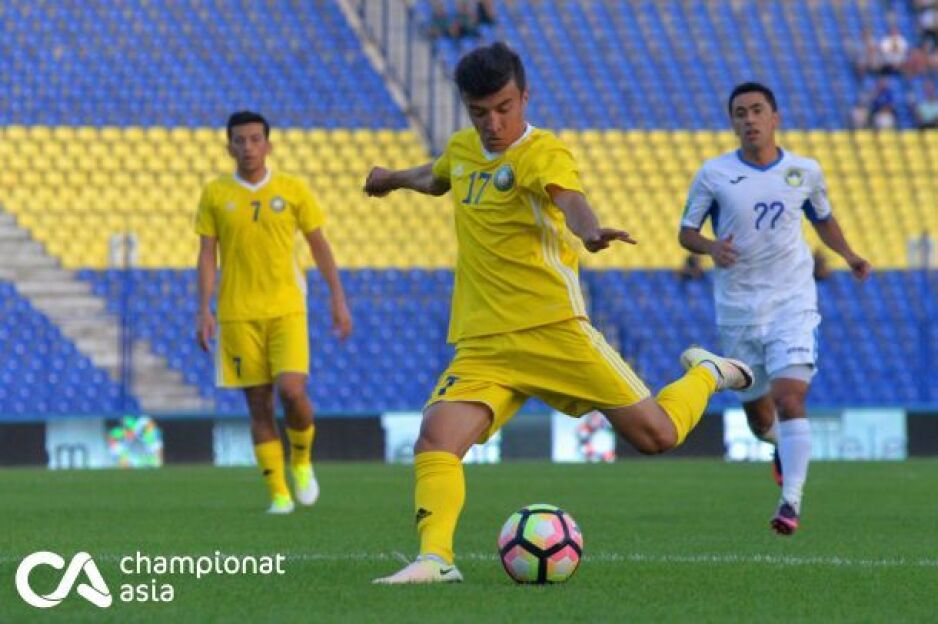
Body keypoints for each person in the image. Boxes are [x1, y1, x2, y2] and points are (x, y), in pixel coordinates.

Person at [364, 43, 753, 584]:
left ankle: (707, 373)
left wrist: (590, 232)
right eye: (479, 112)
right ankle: (436, 559)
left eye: (504, 108)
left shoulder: (541, 152)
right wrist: (392, 178)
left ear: (524, 97)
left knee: (657, 437)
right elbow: (439, 175)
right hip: (484, 342)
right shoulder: (464, 149)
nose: (493, 124)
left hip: (554, 330)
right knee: (436, 438)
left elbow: (568, 198)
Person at [678, 83, 871, 536]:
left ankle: (790, 503)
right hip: (738, 308)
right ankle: (780, 446)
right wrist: (711, 247)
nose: (749, 119)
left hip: (792, 302)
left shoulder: (804, 171)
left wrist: (849, 256)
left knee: (790, 398)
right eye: (740, 113)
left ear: (774, 117)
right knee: (760, 419)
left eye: (757, 110)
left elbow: (823, 219)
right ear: (733, 122)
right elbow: (686, 232)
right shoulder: (714, 174)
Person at [195, 111, 352, 514]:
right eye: (240, 141)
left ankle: (301, 460)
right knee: (259, 404)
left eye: (255, 139)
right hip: (237, 313)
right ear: (229, 147)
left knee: (292, 391)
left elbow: (319, 245)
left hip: (286, 310)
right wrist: (203, 309)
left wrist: (337, 297)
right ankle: (279, 494)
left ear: (268, 144)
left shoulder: (292, 189)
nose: (248, 147)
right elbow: (207, 254)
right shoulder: (215, 193)